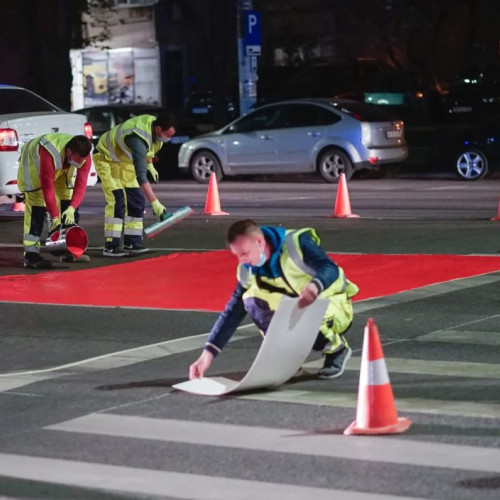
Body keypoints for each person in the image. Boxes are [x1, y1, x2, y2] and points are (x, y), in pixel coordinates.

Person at [189, 219, 359, 381]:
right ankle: (288, 358)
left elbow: (329, 268)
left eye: (244, 253)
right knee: (251, 300)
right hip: (298, 306)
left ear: (259, 242)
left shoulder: (296, 244)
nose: (242, 260)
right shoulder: (247, 271)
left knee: (308, 308)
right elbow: (233, 311)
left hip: (333, 306)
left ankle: (336, 349)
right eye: (237, 255)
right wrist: (208, 354)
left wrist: (315, 285)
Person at [93, 113, 176, 257]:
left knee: (136, 200)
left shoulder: (153, 127)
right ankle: (111, 246)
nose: (169, 139)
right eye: (167, 135)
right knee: (117, 200)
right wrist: (156, 204)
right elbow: (141, 176)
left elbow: (149, 149)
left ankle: (132, 242)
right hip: (106, 158)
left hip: (125, 162)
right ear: (158, 129)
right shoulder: (137, 138)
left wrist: (150, 164)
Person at [17, 133, 93, 269]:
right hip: (34, 166)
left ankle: (68, 250)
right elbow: (47, 187)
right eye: (77, 160)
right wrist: (54, 217)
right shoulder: (49, 152)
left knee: (67, 202)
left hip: (62, 168)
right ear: (69, 152)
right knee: (37, 208)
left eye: (81, 161)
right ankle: (31, 256)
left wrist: (72, 208)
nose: (79, 164)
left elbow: (81, 184)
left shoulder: (84, 157)